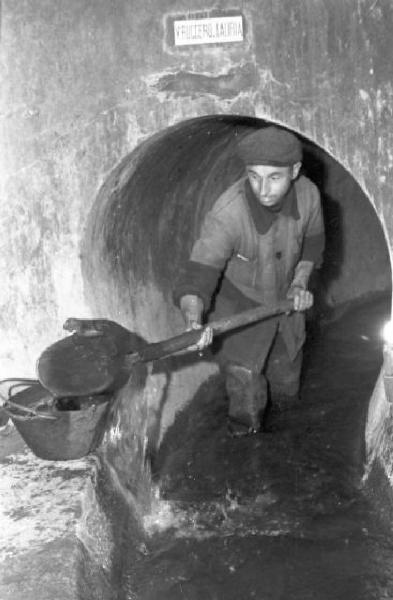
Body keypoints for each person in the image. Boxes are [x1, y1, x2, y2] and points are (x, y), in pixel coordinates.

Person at [174, 126, 325, 437]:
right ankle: (245, 447)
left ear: (294, 171)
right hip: (240, 306)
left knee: (287, 384)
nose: (263, 189)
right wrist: (193, 320)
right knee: (245, 391)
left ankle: (288, 447)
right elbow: (198, 276)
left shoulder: (309, 195)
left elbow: (313, 245)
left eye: (274, 177)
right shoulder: (228, 214)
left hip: (285, 304)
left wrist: (300, 283)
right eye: (254, 176)